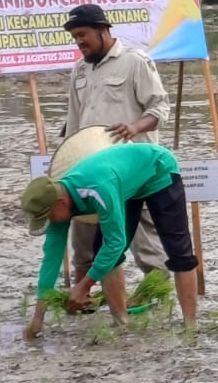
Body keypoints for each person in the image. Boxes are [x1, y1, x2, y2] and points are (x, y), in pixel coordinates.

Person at [20, 143, 200, 337]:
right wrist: (37, 319)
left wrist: (84, 285)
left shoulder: (97, 189)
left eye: (48, 216)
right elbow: (51, 259)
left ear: (61, 202)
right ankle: (122, 324)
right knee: (102, 252)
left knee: (178, 250)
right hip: (125, 183)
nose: (50, 221)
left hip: (158, 169)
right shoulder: (57, 206)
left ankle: (190, 326)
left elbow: (116, 242)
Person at [61, 3, 171, 285]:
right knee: (83, 239)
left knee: (143, 238)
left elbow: (160, 109)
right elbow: (74, 125)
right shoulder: (79, 71)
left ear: (102, 30)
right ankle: (83, 297)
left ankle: (157, 295)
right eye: (75, 37)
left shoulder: (135, 62)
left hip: (131, 168)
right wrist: (66, 167)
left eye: (83, 34)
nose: (79, 42)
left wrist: (134, 127)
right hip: (89, 170)